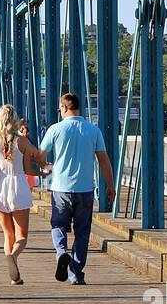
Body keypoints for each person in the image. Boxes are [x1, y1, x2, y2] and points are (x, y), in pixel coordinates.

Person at [37, 92, 116, 285]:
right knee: (82, 232)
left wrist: (46, 167)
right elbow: (103, 160)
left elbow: (39, 155)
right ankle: (76, 274)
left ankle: (61, 252)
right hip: (85, 189)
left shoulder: (55, 129)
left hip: (61, 188)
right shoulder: (93, 130)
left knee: (58, 225)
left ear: (64, 108)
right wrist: (110, 185)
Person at [0, 105, 38, 285]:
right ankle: (13, 257)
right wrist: (43, 173)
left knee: (8, 235)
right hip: (18, 187)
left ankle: (15, 275)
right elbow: (31, 166)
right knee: (22, 237)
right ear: (15, 120)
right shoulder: (22, 141)